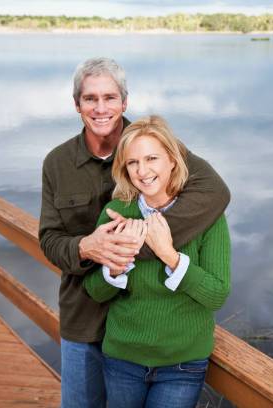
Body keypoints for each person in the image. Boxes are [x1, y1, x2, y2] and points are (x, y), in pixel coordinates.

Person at [38, 58, 230, 408]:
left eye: (110, 97)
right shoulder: (56, 162)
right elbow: (49, 241)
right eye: (90, 98)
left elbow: (216, 193)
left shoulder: (153, 142)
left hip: (154, 335)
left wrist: (145, 242)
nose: (100, 108)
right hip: (85, 317)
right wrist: (87, 246)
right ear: (76, 104)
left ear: (124, 102)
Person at [83, 115, 231, 408]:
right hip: (122, 358)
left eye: (152, 158)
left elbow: (217, 295)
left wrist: (169, 256)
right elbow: (95, 291)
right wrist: (116, 267)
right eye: (133, 162)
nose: (143, 170)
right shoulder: (116, 212)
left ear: (173, 161)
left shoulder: (208, 215)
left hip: (181, 364)